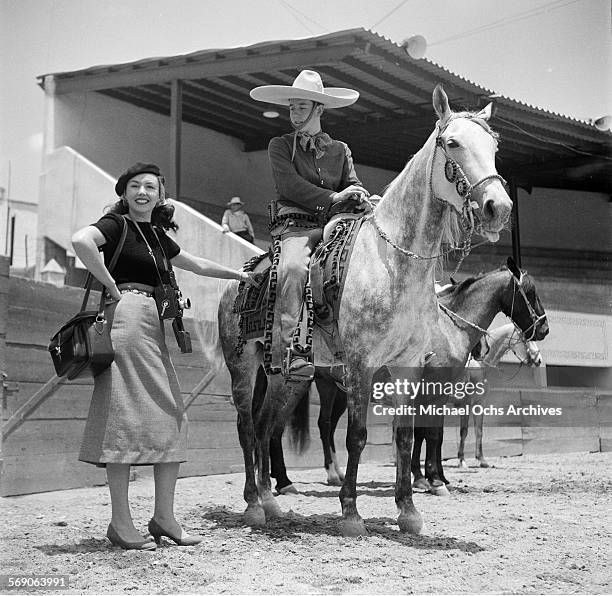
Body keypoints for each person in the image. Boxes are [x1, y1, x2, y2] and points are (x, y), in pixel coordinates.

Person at [72, 162, 258, 550]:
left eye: (151, 187)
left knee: (171, 418)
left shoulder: (156, 235)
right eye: (135, 186)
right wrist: (111, 286)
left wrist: (239, 275)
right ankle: (121, 524)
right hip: (126, 317)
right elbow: (80, 241)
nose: (143, 192)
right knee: (122, 417)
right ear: (124, 193)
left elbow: (195, 263)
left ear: (160, 195)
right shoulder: (117, 225)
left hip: (152, 326)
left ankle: (164, 518)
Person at [250, 70, 369, 381]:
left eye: (301, 107)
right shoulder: (279, 145)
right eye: (292, 107)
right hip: (296, 226)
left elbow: (351, 183)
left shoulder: (340, 149)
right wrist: (334, 196)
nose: (294, 113)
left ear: (319, 109)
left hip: (337, 226)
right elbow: (289, 186)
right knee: (292, 268)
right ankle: (291, 350)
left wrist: (360, 195)